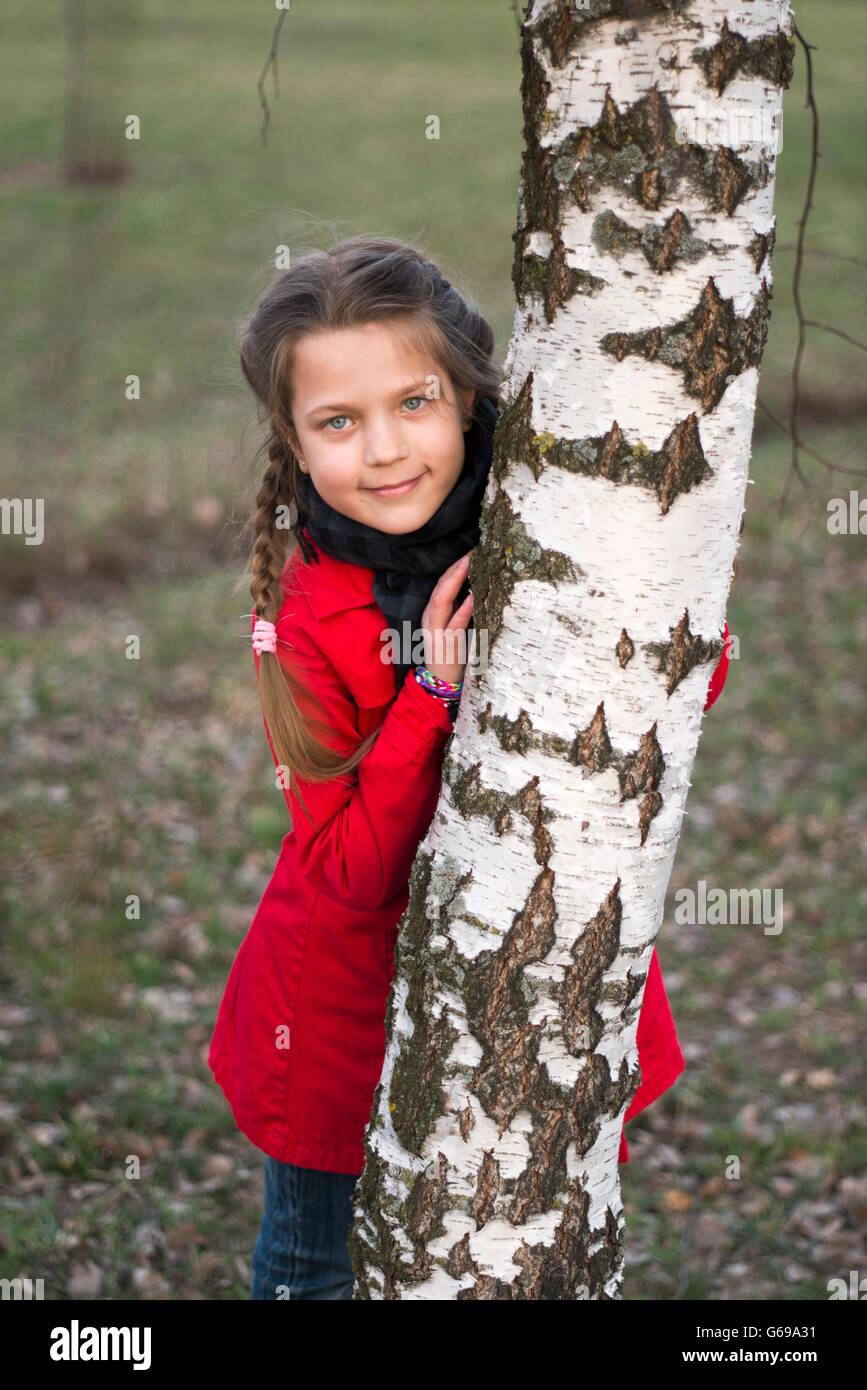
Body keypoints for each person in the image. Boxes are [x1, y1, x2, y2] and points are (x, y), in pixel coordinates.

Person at [206, 235, 732, 1300]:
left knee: (537, 1247)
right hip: (347, 1024)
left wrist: (670, 637)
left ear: (471, 399)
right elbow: (349, 872)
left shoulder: (545, 529)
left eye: (416, 401)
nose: (388, 448)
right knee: (318, 1270)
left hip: (546, 984)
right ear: (296, 443)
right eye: (339, 422)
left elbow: (653, 706)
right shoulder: (304, 608)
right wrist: (430, 695)